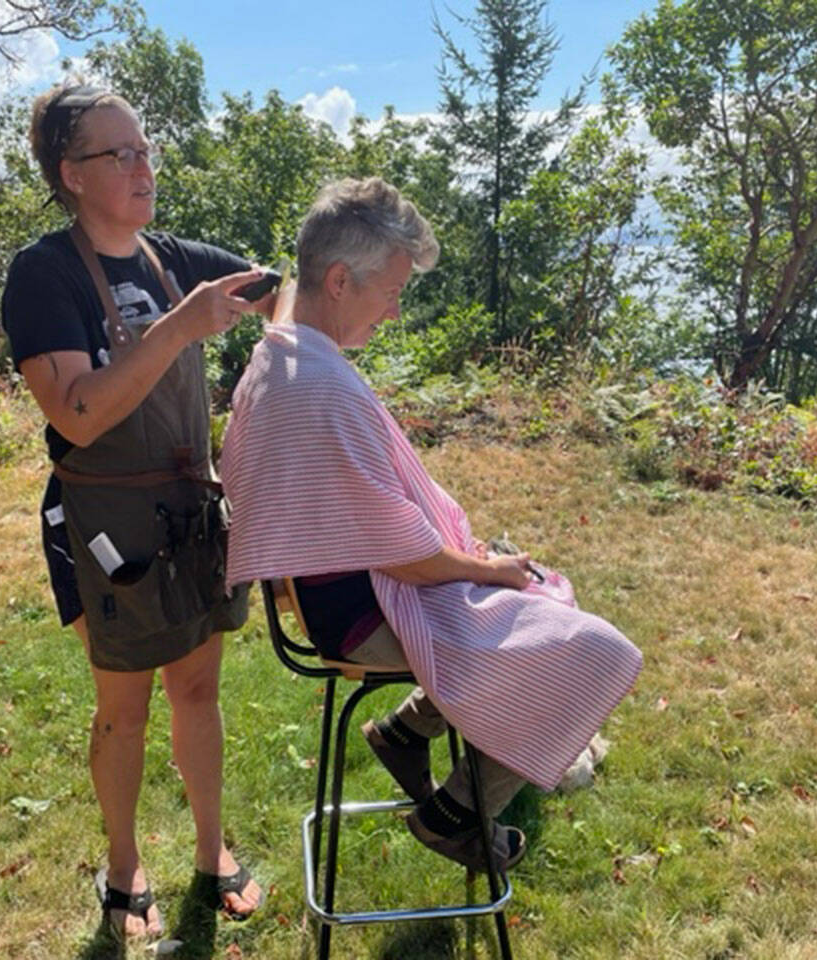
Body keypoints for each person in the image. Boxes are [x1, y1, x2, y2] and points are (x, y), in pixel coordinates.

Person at [220, 177, 643, 871]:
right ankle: (454, 818)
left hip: (346, 593)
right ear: (336, 280)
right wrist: (486, 569)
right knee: (595, 651)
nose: (391, 313)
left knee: (533, 600)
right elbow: (407, 556)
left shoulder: (279, 354)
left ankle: (406, 732)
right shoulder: (319, 386)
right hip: (366, 611)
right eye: (389, 294)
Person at [0, 84, 265, 940]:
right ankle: (123, 866)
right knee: (125, 705)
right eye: (123, 155)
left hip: (191, 510)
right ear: (71, 175)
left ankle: (210, 848)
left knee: (198, 687)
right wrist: (178, 330)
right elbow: (74, 411)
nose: (146, 167)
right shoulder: (44, 275)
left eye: (146, 149)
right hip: (105, 526)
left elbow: (282, 292)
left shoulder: (173, 258)